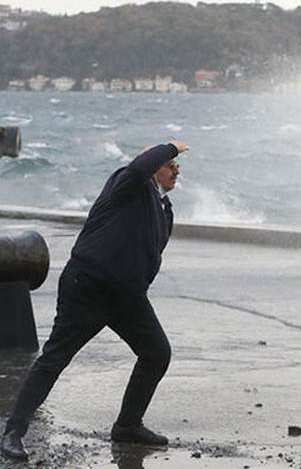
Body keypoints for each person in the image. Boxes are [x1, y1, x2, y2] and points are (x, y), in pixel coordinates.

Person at [1, 141, 189, 461]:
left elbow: (151, 251)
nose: (176, 170)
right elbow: (138, 167)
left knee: (156, 353)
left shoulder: (163, 207)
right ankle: (13, 432)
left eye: (176, 165)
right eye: (170, 164)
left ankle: (128, 425)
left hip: (127, 297)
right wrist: (170, 145)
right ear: (152, 165)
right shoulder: (126, 182)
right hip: (87, 287)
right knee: (54, 359)